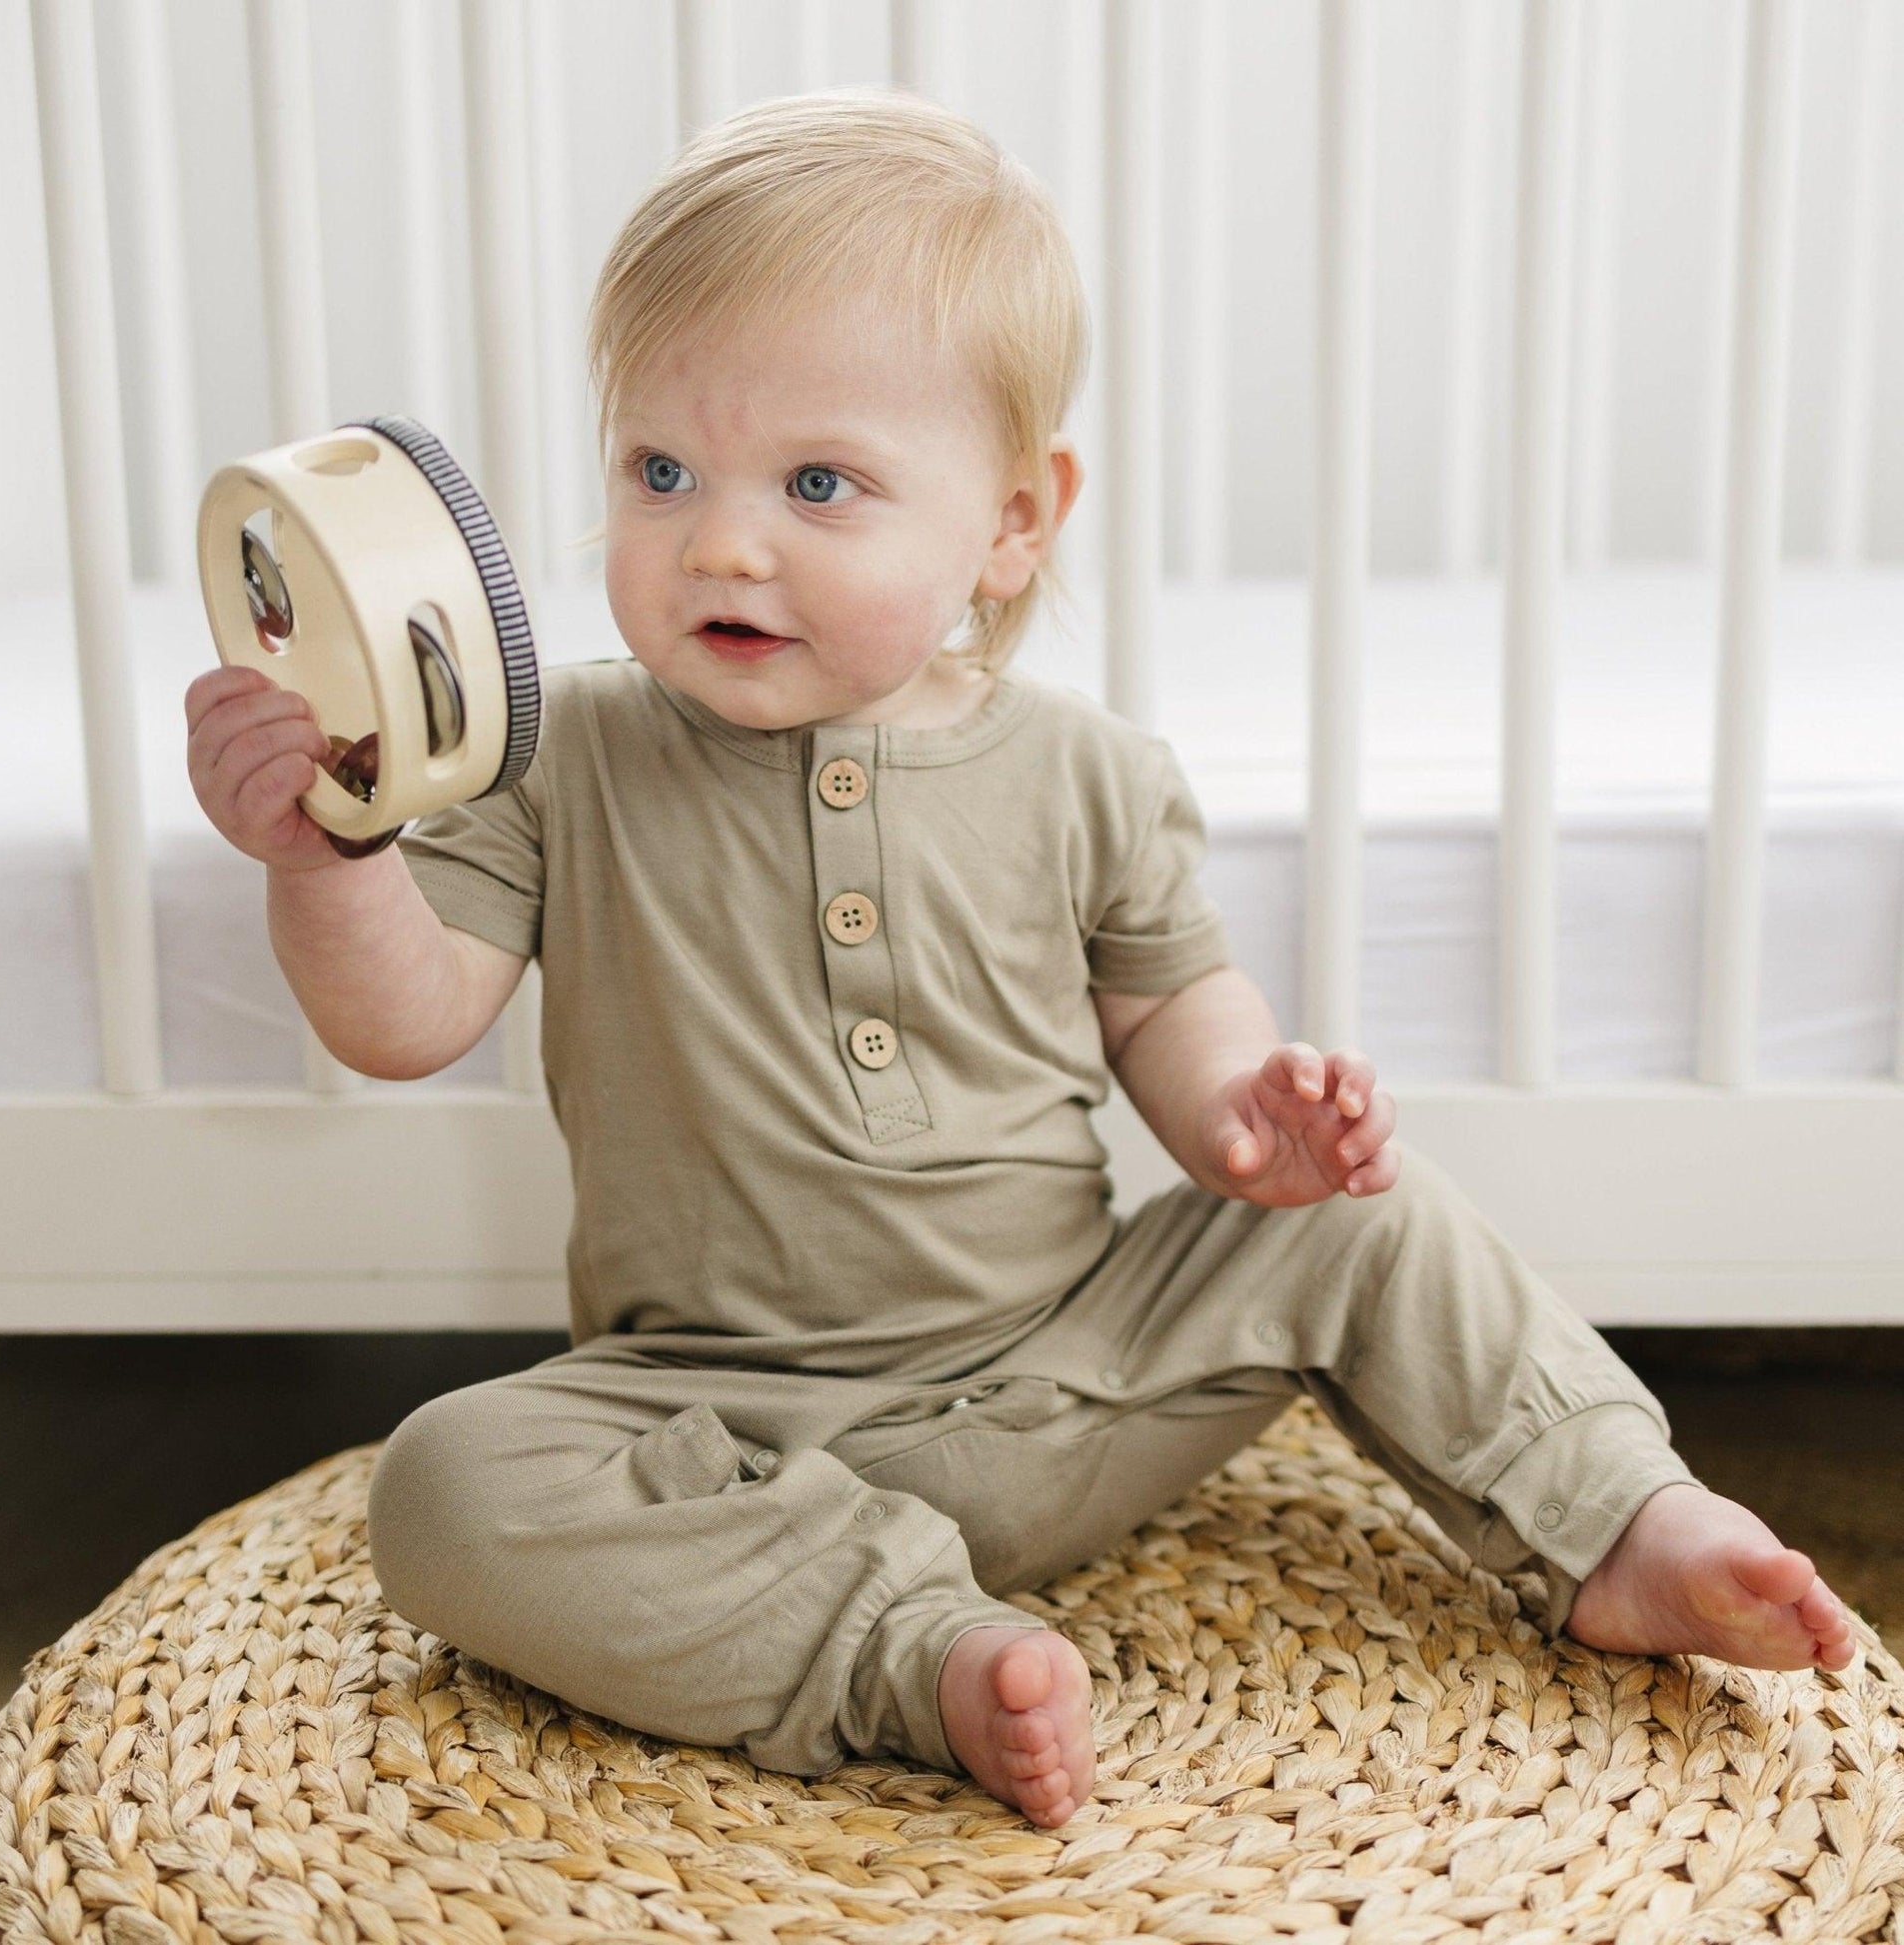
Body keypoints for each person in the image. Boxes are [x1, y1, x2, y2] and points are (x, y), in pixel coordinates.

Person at [185, 88, 1855, 1831]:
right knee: (446, 1483)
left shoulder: (1084, 773)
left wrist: (1248, 1114)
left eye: (817, 483)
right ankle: (907, 1647)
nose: (719, 540)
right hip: (715, 1422)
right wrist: (327, 856)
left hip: (1073, 1365)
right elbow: (404, 1018)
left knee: (1366, 1216)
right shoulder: (561, 759)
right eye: (658, 471)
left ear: (1009, 521)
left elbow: (1177, 1010)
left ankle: (1616, 1521)